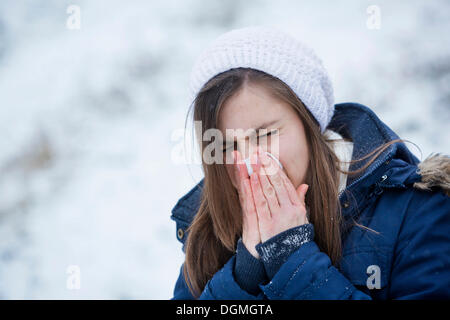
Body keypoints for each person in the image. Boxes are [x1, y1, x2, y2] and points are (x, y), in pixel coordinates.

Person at [170, 26, 450, 300]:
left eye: (266, 134)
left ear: (309, 125)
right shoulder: (206, 228)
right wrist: (244, 275)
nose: (249, 162)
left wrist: (293, 261)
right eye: (227, 145)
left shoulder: (418, 212)